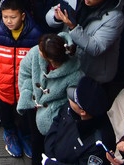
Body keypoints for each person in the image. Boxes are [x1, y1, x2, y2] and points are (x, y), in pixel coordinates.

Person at [0, 0, 44, 158]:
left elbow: (40, 59)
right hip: (3, 84)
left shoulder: (35, 35)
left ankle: (25, 136)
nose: (9, 21)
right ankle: (10, 133)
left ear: (22, 16)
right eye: (5, 17)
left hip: (25, 88)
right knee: (5, 111)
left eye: (13, 17)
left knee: (25, 116)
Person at [17, 33, 83, 164]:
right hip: (33, 105)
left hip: (54, 118)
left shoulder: (75, 75)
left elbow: (70, 102)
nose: (37, 50)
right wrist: (27, 91)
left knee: (51, 148)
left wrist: (54, 111)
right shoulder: (36, 52)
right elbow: (24, 71)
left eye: (41, 50)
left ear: (50, 59)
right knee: (36, 141)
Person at [51, 0, 124, 89]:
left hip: (93, 74)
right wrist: (56, 17)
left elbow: (96, 48)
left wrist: (73, 28)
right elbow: (49, 17)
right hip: (69, 63)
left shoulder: (115, 18)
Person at [43, 81, 115, 165]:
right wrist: (50, 154)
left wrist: (51, 163)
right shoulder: (71, 108)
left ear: (83, 111)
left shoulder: (99, 144)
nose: (70, 98)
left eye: (74, 99)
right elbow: (56, 122)